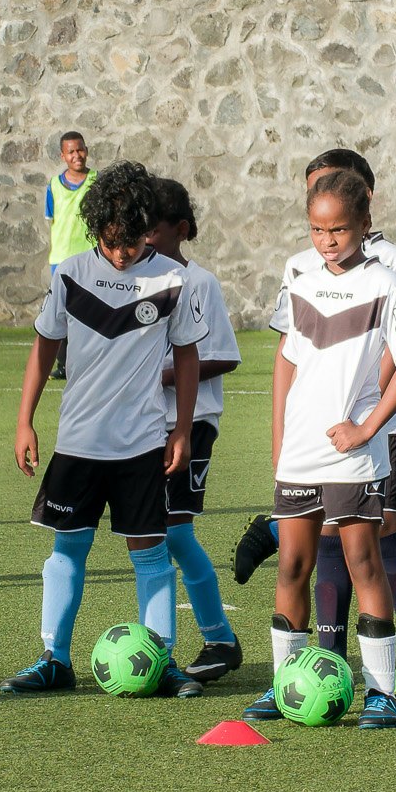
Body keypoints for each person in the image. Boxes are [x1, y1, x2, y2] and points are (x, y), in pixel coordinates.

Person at [230, 149, 396, 691]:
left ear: (365, 223)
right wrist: (279, 442)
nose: (327, 240)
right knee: (293, 564)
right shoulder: (299, 282)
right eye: (317, 230)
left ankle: (381, 692)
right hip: (301, 448)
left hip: (353, 450)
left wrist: (368, 430)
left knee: (363, 559)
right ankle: (283, 687)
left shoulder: (386, 283)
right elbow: (288, 361)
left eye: (339, 229)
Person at [1, 164, 207, 697]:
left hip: (141, 443)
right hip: (78, 443)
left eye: (133, 241)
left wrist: (181, 428)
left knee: (151, 552)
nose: (122, 253)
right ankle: (54, 659)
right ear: (97, 231)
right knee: (67, 550)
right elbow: (45, 345)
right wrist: (25, 420)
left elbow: (187, 356)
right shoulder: (70, 272)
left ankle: (161, 661)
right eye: (112, 242)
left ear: (149, 229)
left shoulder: (172, 278)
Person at [146, 175, 245, 682]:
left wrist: (165, 376)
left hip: (191, 423)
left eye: (153, 230)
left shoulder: (199, 282)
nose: (144, 239)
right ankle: (176, 643)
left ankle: (219, 637)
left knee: (176, 532)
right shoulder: (143, 279)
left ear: (180, 230)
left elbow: (224, 355)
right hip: (144, 425)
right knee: (152, 534)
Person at [44, 131, 97, 380]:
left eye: (80, 150)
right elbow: (52, 219)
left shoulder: (97, 181)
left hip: (92, 256)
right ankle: (64, 364)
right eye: (71, 152)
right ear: (63, 155)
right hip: (62, 259)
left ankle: (93, 362)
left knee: (93, 310)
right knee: (62, 312)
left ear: (87, 150)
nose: (77, 156)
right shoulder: (53, 185)